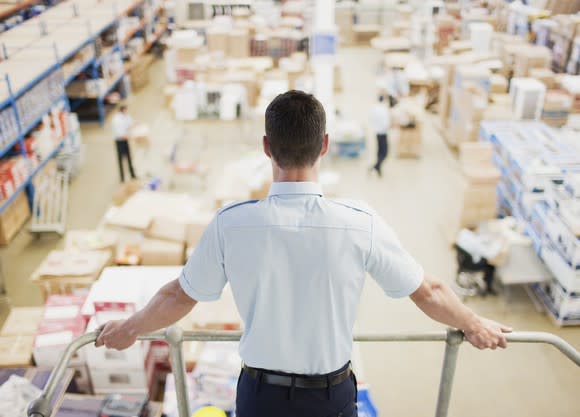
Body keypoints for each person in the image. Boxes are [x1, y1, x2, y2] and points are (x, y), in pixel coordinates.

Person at [96, 91, 511, 417]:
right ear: (325, 144)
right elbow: (429, 291)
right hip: (329, 398)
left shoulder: (231, 224)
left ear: (266, 146)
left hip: (261, 400)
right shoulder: (359, 222)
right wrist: (473, 324)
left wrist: (132, 327)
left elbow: (178, 296)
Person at [112, 104, 136, 182]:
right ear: (122, 110)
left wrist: (137, 125)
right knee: (121, 159)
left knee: (129, 157)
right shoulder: (117, 120)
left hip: (125, 139)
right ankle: (122, 178)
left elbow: (131, 123)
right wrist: (132, 137)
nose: (127, 112)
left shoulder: (126, 116)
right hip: (119, 141)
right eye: (126, 110)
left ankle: (133, 175)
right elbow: (120, 134)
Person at [369, 95, 390, 177]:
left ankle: (378, 168)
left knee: (379, 151)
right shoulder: (384, 109)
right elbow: (386, 122)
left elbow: (371, 119)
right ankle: (375, 166)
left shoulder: (374, 108)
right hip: (383, 132)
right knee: (385, 152)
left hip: (377, 132)